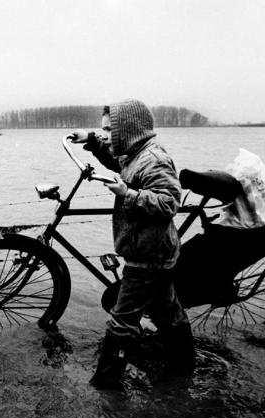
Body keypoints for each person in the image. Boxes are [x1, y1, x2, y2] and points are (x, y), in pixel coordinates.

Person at [67, 99, 195, 390]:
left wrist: (127, 193)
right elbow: (116, 157)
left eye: (110, 131)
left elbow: (168, 203)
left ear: (128, 130)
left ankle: (106, 384)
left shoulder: (154, 160)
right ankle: (184, 368)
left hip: (147, 254)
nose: (107, 136)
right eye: (104, 131)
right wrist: (92, 140)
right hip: (154, 250)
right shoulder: (134, 151)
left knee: (122, 321)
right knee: (167, 311)